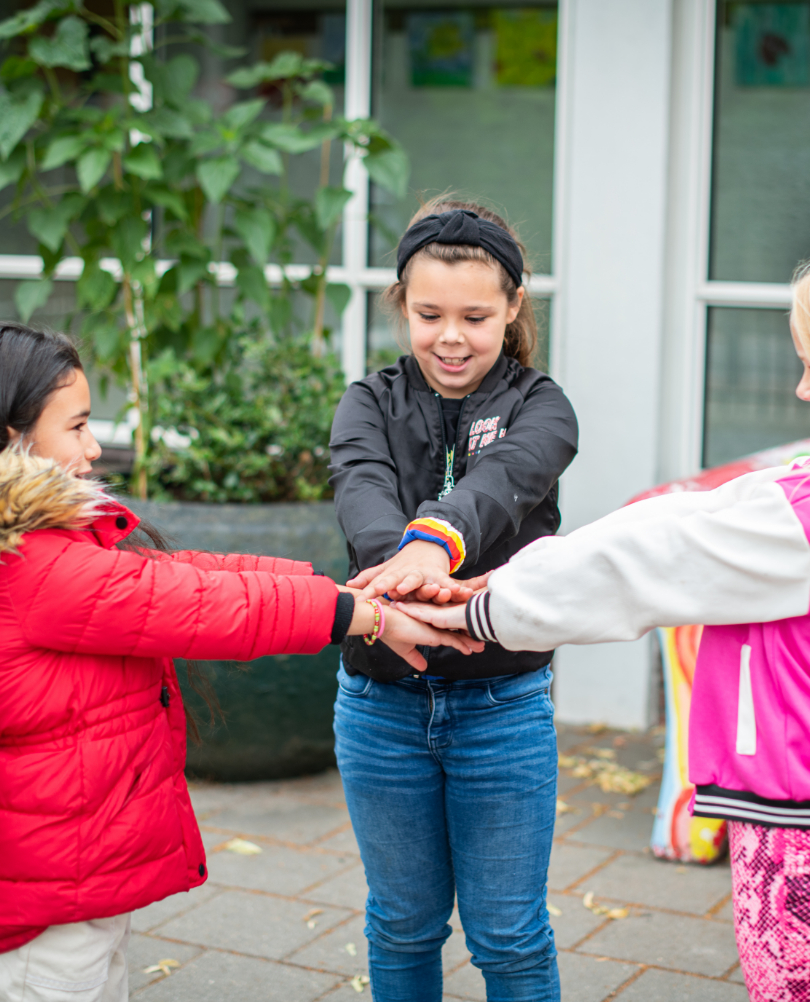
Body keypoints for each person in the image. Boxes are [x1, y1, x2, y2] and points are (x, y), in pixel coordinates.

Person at [400, 235, 810, 1002]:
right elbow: (686, 519)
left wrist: (483, 609)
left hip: (801, 817)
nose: (803, 391)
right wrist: (498, 587)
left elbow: (652, 561)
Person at [0, 323, 475, 1002]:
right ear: (10, 438)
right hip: (50, 892)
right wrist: (359, 616)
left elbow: (180, 572)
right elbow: (191, 601)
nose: (92, 446)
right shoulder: (29, 567)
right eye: (76, 426)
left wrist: (339, 590)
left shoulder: (35, 548)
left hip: (67, 869)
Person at [328, 199, 579, 1001]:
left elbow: (502, 485)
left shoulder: (543, 407)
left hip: (502, 707)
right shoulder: (366, 400)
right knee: (400, 925)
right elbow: (362, 496)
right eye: (429, 313)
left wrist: (432, 540)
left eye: (475, 316)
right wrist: (399, 557)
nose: (450, 336)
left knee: (508, 936)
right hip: (379, 705)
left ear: (511, 308)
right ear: (402, 305)